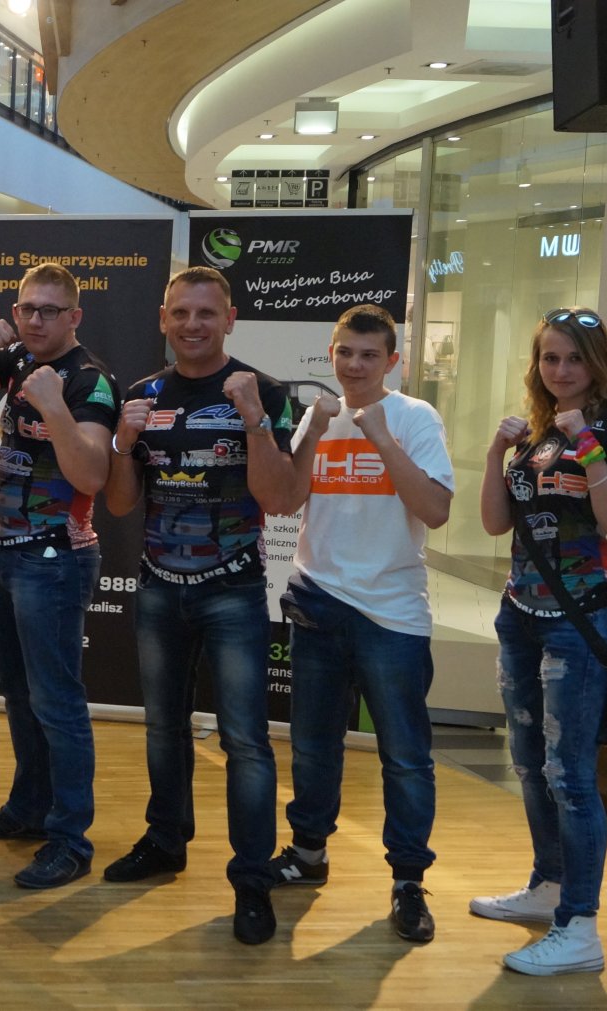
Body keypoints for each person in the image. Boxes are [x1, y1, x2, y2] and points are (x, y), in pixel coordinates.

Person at [101, 265, 294, 944]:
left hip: (233, 590)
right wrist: (123, 443)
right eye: (180, 313)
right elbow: (120, 503)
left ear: (230, 319)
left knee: (245, 740)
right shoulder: (140, 394)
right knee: (162, 728)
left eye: (206, 313)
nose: (192, 325)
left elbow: (280, 498)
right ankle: (165, 840)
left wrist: (254, 422)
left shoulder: (265, 392)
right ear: (163, 318)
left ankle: (252, 879)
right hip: (159, 587)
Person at [262, 305, 451, 942]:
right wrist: (313, 432)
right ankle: (308, 852)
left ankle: (408, 881)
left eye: (369, 355)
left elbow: (435, 510)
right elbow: (286, 500)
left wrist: (383, 440)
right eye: (345, 352)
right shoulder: (318, 416)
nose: (355, 365)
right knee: (313, 745)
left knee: (405, 756)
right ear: (332, 353)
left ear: (392, 361)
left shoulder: (415, 417)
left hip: (391, 613)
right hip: (318, 600)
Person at [473, 306, 607, 975]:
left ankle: (580, 925)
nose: (561, 369)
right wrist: (495, 454)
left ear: (598, 363)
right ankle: (549, 884)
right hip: (520, 613)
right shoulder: (536, 433)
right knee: (529, 763)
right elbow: (496, 523)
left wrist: (590, 449)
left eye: (574, 358)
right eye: (550, 357)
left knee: (570, 774)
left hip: (583, 620)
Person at [0, 263, 116, 890]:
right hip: (5, 551)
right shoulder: (15, 357)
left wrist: (52, 405)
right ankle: (29, 808)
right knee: (16, 692)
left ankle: (70, 840)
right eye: (26, 309)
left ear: (75, 317)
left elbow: (92, 474)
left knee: (58, 703)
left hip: (57, 558)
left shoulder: (90, 381)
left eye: (49, 310)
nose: (36, 320)